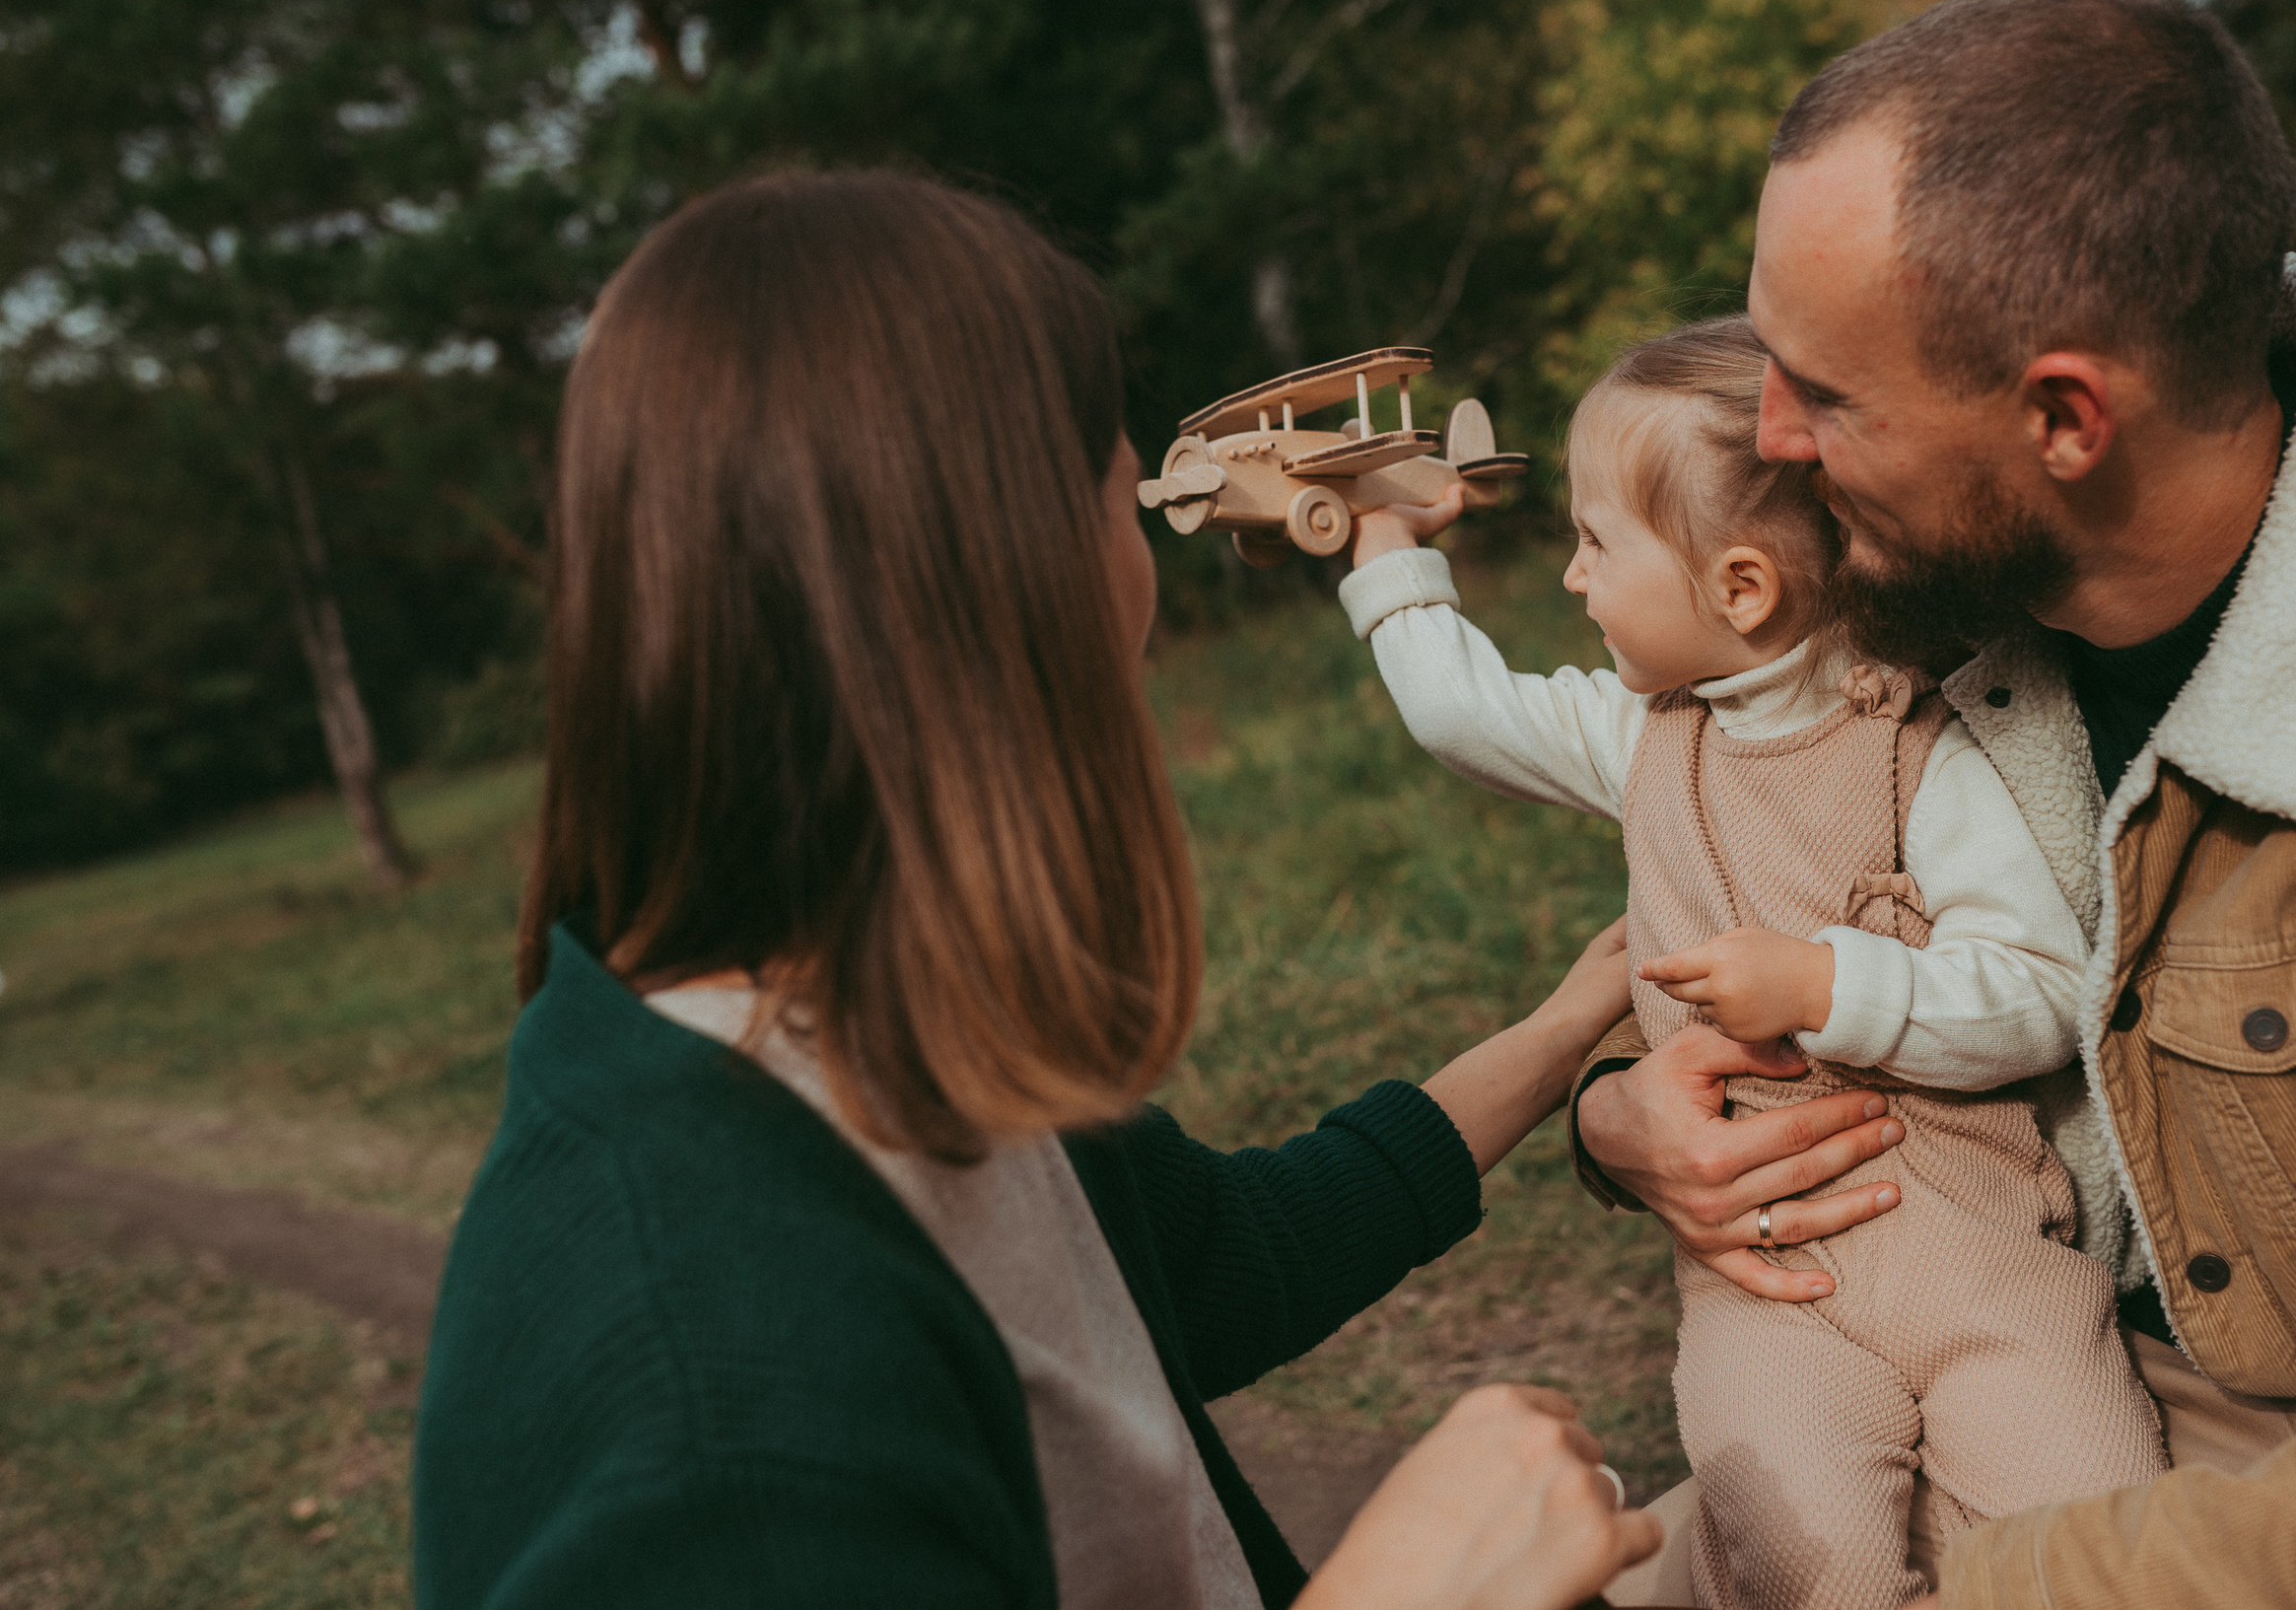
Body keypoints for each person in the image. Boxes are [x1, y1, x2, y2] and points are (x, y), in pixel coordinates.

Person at [409, 169, 1666, 1610]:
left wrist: (1569, 1022)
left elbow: (1205, 1269)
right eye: (1117, 488)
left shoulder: (885, 1027)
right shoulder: (720, 1396)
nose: (1146, 549)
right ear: (1011, 574)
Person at [1573, 0, 2296, 1610]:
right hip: (1966, 1357)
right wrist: (1618, 1114)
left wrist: (2031, 1584)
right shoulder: (1935, 573)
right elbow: (1732, 850)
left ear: (2065, 416)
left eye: (1829, 393)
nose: (1772, 439)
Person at [1337, 315, 2163, 1609]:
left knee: (2089, 1536)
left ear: (1739, 588)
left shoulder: (1925, 747)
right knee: (1800, 1555)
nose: (1570, 578)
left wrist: (1834, 985)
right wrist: (1384, 551)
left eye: (1595, 543)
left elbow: (2043, 991)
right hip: (1772, 1291)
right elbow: (1463, 709)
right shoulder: (1643, 735)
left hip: (1990, 1262)